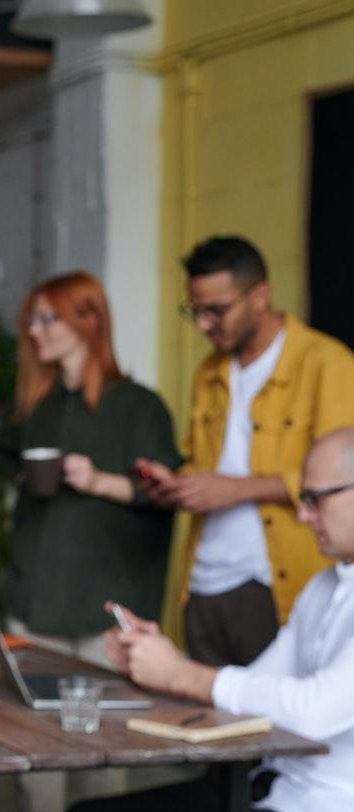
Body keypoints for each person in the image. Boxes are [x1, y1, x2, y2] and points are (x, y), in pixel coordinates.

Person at [61, 427, 354, 812]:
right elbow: (252, 685)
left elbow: (313, 712)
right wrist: (160, 662)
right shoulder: (323, 586)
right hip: (271, 788)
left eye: (314, 498)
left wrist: (179, 674)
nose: (303, 514)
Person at [0, 271, 182, 812]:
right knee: (36, 767)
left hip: (106, 606)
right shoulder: (38, 406)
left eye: (48, 317)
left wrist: (100, 481)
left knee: (104, 765)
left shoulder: (139, 406)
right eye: (31, 319)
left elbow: (166, 494)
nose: (35, 330)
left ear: (89, 320)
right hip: (37, 601)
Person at [137, 236, 354, 666]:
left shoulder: (327, 364)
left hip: (273, 585)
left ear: (260, 296)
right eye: (194, 311)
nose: (202, 325)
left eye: (215, 310)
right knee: (201, 721)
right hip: (201, 584)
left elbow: (342, 479)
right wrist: (177, 486)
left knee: (270, 725)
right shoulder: (209, 372)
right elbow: (204, 463)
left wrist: (234, 490)